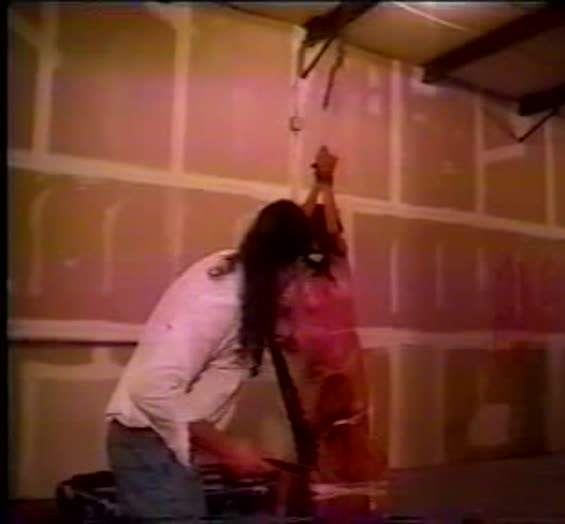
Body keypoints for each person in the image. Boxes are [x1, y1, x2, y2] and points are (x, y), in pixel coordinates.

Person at [104, 199, 314, 523]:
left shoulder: (234, 270)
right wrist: (228, 448)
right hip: (147, 446)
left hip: (161, 449)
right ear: (291, 264)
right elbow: (151, 388)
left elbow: (232, 340)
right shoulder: (220, 299)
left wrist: (286, 328)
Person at [278, 147, 387, 484]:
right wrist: (318, 184)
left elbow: (333, 231)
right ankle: (321, 486)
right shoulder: (296, 271)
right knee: (314, 430)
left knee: (355, 426)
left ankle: (359, 484)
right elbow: (299, 227)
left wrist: (327, 184)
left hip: (347, 360)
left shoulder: (338, 265)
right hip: (315, 365)